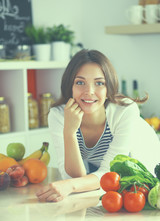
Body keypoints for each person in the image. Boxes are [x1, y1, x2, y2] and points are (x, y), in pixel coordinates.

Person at [36, 49, 160, 202]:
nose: (89, 91)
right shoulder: (59, 115)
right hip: (105, 175)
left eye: (99, 83)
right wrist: (69, 131)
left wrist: (71, 185)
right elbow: (74, 178)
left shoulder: (125, 111)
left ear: (109, 88)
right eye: (80, 82)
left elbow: (109, 174)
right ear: (70, 86)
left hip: (147, 166)